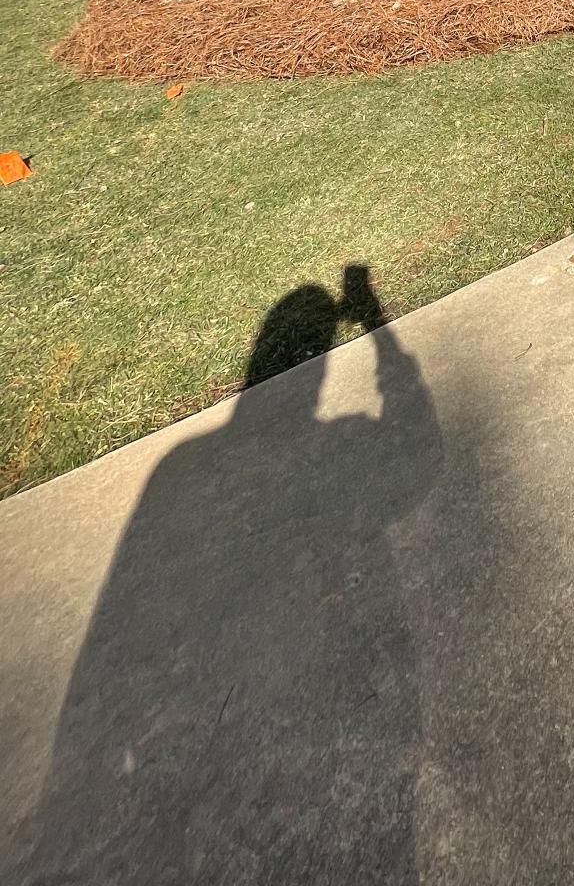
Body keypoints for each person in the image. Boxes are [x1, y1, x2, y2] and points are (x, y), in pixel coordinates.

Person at [13, 267, 441, 884]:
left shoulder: (180, 465)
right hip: (340, 720)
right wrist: (376, 323)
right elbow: (419, 457)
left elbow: (117, 609)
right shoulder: (230, 458)